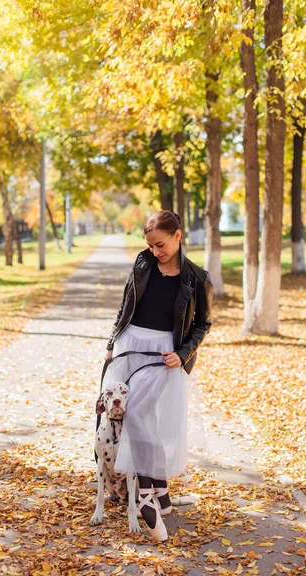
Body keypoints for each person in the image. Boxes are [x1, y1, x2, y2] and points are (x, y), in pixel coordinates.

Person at [102, 209, 213, 542]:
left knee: (138, 413)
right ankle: (158, 489)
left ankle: (147, 493)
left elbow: (202, 324)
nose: (155, 252)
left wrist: (182, 354)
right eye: (150, 246)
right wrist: (111, 344)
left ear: (178, 236)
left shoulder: (197, 278)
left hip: (162, 354)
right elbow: (125, 306)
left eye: (160, 245)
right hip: (129, 345)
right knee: (134, 416)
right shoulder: (142, 264)